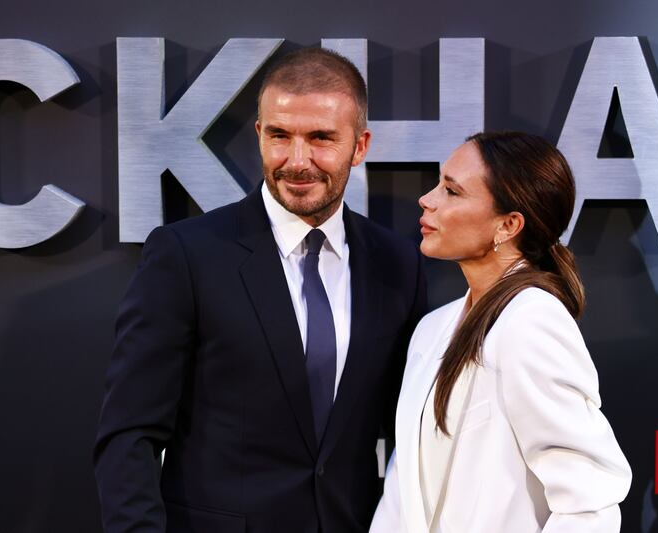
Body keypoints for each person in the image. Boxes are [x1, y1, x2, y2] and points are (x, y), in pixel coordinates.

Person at [94, 47, 427, 533]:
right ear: (259, 134)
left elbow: (410, 432)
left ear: (360, 146)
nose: (297, 161)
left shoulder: (398, 263)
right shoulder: (188, 255)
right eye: (279, 136)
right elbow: (129, 434)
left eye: (321, 138)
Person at [370, 131, 632, 532]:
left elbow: (590, 500)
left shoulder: (531, 322)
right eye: (439, 184)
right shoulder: (432, 329)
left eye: (452, 191)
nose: (427, 199)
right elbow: (404, 492)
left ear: (508, 225)